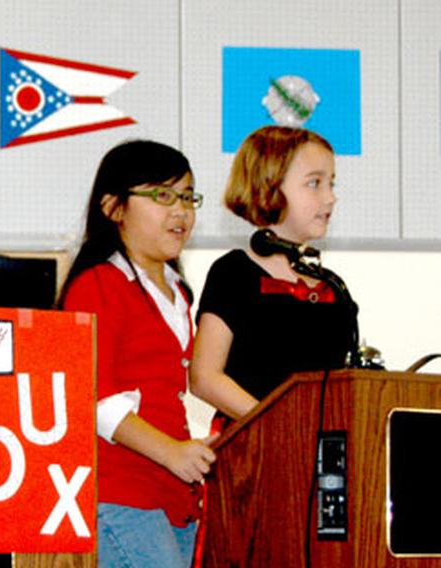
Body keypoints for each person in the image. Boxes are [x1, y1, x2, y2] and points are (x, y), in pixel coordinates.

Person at [59, 140, 217, 568]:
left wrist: (193, 448)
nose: (181, 211)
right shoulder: (98, 285)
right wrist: (173, 452)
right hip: (120, 494)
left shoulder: (179, 291)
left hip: (173, 498)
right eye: (162, 196)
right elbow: (93, 400)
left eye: (187, 196)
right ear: (114, 208)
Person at [190, 126, 357, 419]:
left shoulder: (332, 285)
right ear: (268, 185)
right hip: (256, 451)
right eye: (314, 183)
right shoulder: (234, 273)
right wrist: (279, 424)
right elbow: (205, 377)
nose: (330, 198)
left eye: (332, 184)